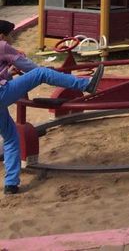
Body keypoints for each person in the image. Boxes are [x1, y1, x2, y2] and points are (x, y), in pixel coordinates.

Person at [0, 20, 104, 194]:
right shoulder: (2, 46)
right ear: (2, 35)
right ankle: (85, 84)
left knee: (11, 137)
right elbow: (28, 66)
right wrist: (43, 70)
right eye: (10, 36)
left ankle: (11, 184)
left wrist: (8, 73)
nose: (11, 39)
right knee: (41, 73)